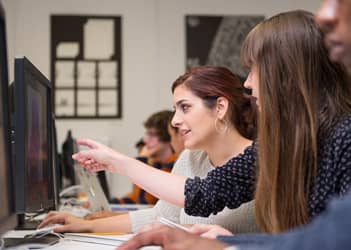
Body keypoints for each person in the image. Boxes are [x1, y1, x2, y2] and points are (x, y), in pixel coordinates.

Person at [72, 9, 351, 234]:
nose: (248, 83)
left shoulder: (343, 138)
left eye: (255, 70)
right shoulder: (281, 145)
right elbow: (203, 194)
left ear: (288, 73)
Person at [39, 66, 260, 235]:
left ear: (220, 107)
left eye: (185, 107)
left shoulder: (263, 162)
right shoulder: (190, 159)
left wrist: (118, 162)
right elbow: (160, 216)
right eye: (175, 109)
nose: (174, 121)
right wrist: (84, 226)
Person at [110, 110, 177, 205]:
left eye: (152, 134)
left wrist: (141, 161)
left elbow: (145, 201)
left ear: (167, 136)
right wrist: (112, 203)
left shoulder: (173, 164)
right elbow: (136, 196)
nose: (145, 139)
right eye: (147, 133)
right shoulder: (157, 164)